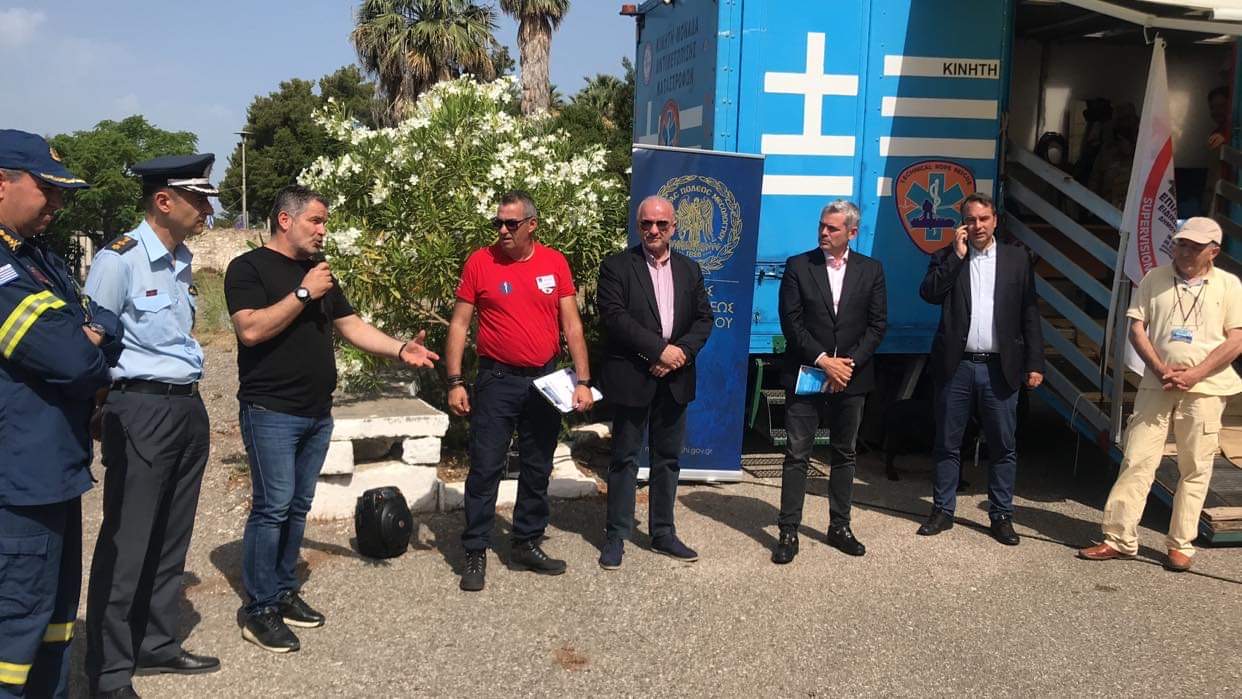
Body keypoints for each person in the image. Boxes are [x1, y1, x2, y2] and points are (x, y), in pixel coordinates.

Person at [224, 185, 437, 652]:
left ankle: (283, 591)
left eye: (325, 222)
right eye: (315, 221)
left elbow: (352, 326)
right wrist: (303, 293)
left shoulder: (320, 272)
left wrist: (401, 348)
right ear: (285, 220)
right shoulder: (248, 268)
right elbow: (251, 330)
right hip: (270, 411)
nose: (323, 230)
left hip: (316, 412)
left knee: (297, 506)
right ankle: (258, 609)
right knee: (272, 507)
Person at [83, 154, 220, 697]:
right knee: (127, 542)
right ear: (164, 201)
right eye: (199, 199)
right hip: (140, 407)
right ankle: (110, 673)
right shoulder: (118, 260)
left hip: (186, 406)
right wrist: (103, 409)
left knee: (170, 537)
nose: (208, 209)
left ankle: (155, 643)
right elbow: (93, 348)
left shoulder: (181, 259)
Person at [0, 130, 123, 698]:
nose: (58, 203)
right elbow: (73, 357)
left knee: (54, 623)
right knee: (14, 634)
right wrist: (84, 339)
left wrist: (86, 337)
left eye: (63, 193)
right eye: (46, 189)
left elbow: (103, 326)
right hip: (17, 484)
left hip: (54, 472)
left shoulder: (37, 258)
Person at [445, 189, 594, 592]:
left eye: (511, 223)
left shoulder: (554, 262)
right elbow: (459, 324)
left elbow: (572, 325)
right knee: (485, 466)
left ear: (532, 225)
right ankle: (475, 549)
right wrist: (455, 381)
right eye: (498, 223)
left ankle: (526, 541)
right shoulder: (480, 262)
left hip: (544, 381)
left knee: (537, 465)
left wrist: (583, 381)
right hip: (497, 380)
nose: (503, 230)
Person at [1079, 218, 1242, 572]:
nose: (1185, 251)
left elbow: (1236, 339)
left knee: (1195, 466)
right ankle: (1119, 537)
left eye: (1195, 247)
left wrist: (1196, 373)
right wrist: (1158, 368)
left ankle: (1180, 543)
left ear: (1213, 252)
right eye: (1182, 244)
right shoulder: (1154, 278)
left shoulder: (1229, 285)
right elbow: (1137, 328)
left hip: (1205, 389)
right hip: (1157, 383)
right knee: (1137, 457)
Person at [916, 192, 1044, 545]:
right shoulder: (946, 256)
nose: (977, 226)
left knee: (1003, 445)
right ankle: (943, 510)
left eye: (983, 219)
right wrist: (957, 257)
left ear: (995, 221)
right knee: (947, 442)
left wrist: (1035, 362)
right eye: (970, 220)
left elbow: (1029, 313)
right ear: (962, 225)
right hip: (956, 367)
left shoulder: (1016, 259)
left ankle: (1001, 515)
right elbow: (929, 294)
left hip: (1000, 368)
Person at [595, 195, 713, 569]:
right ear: (638, 226)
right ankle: (617, 535)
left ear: (674, 227)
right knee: (624, 458)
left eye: (662, 224)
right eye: (647, 223)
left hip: (675, 378)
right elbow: (615, 318)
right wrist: (659, 351)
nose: (654, 230)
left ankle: (663, 533)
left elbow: (704, 320)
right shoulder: (616, 267)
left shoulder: (690, 269)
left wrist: (679, 354)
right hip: (634, 376)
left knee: (668, 459)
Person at [771, 200, 887, 564]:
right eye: (822, 225)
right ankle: (788, 530)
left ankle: (840, 526)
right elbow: (791, 322)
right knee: (797, 454)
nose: (823, 232)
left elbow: (877, 325)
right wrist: (824, 361)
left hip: (851, 377)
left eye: (832, 228)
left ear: (851, 232)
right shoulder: (799, 266)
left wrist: (847, 366)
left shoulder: (871, 270)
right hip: (808, 372)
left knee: (844, 453)